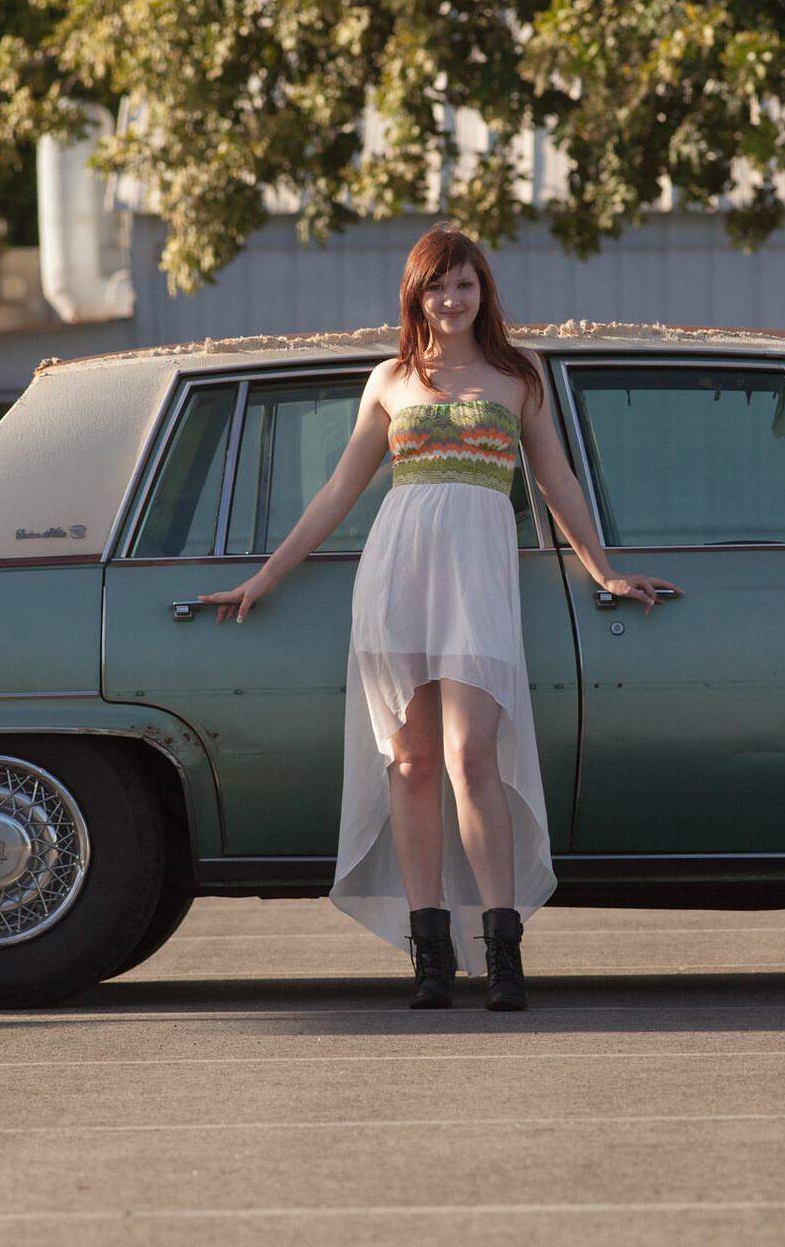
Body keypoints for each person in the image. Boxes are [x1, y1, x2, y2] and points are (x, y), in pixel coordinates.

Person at [201, 225, 679, 1010]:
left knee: (470, 758)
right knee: (413, 764)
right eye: (437, 286)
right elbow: (338, 491)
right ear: (415, 295)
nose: (452, 299)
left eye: (464, 284)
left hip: (477, 585)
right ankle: (429, 959)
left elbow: (556, 480)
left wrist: (603, 569)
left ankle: (503, 957)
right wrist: (264, 576)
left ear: (483, 290)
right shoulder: (391, 379)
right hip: (396, 582)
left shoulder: (519, 374)